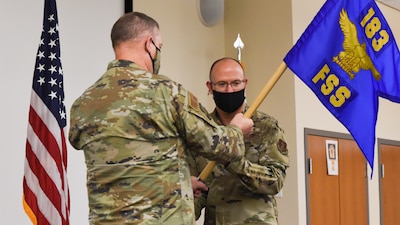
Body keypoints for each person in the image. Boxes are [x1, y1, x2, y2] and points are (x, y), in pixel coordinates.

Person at [68, 12, 254, 225]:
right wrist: (237, 130)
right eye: (160, 47)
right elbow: (219, 146)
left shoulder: (84, 103)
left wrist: (180, 183)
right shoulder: (167, 92)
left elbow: (124, 161)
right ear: (150, 44)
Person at [188, 57, 290, 225]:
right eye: (221, 84)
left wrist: (231, 160)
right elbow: (199, 190)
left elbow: (275, 182)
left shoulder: (267, 127)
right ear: (210, 87)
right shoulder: (203, 130)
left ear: (245, 84)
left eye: (235, 83)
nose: (229, 90)